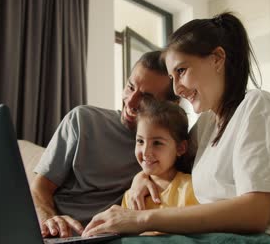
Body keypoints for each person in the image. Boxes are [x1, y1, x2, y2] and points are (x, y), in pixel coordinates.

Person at [82, 12, 270, 244]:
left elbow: (256, 213)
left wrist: (141, 220)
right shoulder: (206, 125)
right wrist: (141, 178)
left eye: (181, 71)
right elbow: (168, 160)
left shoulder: (257, 105)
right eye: (172, 78)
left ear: (217, 59)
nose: (177, 89)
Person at [31, 50, 178, 238]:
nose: (131, 102)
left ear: (171, 105)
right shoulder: (83, 120)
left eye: (146, 98)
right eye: (130, 87)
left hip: (104, 237)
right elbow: (39, 188)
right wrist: (49, 219)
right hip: (56, 233)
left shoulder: (169, 146)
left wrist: (142, 175)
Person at [121, 98, 198, 212]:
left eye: (157, 143)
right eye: (140, 141)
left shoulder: (190, 189)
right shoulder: (131, 196)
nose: (146, 152)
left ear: (180, 148)